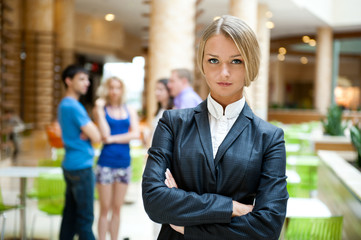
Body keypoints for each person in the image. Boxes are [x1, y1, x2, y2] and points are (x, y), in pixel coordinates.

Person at [142, 15, 288, 240]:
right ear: (202, 63)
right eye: (213, 60)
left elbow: (267, 228)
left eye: (236, 61)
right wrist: (229, 206)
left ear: (250, 64)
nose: (224, 72)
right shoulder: (172, 123)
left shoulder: (269, 138)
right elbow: (154, 202)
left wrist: (187, 223)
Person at [93, 76, 140, 240]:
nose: (114, 91)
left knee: (117, 208)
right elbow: (104, 133)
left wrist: (113, 139)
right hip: (106, 162)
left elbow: (135, 134)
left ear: (122, 90)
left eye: (117, 88)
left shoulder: (130, 110)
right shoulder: (102, 110)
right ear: (107, 89)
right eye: (111, 87)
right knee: (104, 208)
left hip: (124, 163)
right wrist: (99, 111)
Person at [58, 64, 101, 240]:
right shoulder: (73, 106)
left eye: (87, 79)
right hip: (81, 166)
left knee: (70, 216)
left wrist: (88, 132)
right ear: (68, 81)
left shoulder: (64, 105)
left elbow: (90, 134)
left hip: (70, 164)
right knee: (85, 219)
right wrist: (89, 131)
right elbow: (97, 135)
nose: (87, 83)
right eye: (81, 79)